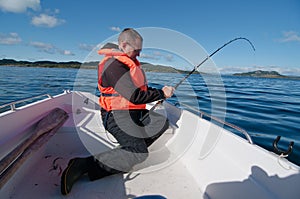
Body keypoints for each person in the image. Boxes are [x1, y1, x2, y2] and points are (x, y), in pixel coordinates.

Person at [61, 28, 175, 195]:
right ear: (124, 45)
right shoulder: (113, 65)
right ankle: (84, 165)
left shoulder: (128, 64)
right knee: (139, 153)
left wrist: (158, 93)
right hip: (116, 115)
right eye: (136, 50)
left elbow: (140, 90)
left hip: (134, 113)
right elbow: (135, 95)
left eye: (140, 50)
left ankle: (125, 153)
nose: (139, 54)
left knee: (160, 122)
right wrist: (162, 93)